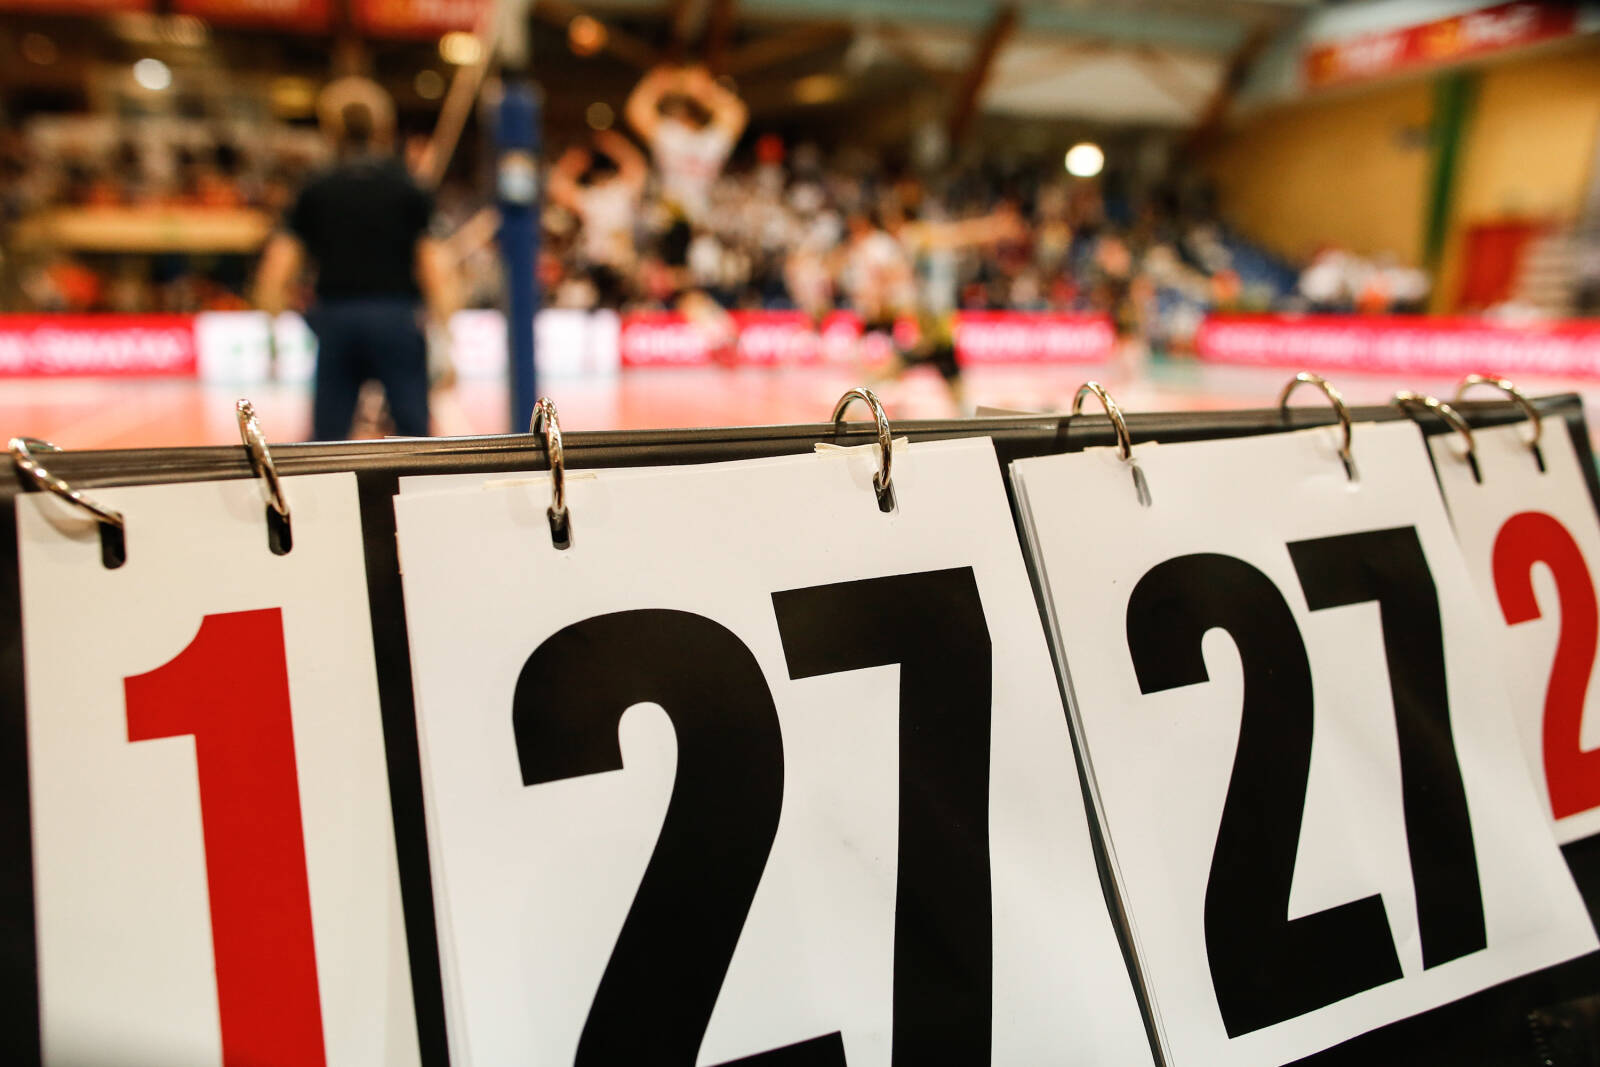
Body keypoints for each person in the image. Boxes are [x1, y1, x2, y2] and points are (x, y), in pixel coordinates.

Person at [254, 77, 457, 440]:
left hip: (337, 319)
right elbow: (435, 267)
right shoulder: (408, 187)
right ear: (384, 128)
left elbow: (277, 267)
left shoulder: (315, 188)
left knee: (328, 438)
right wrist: (445, 339)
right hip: (396, 317)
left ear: (331, 129)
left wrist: (271, 334)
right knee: (414, 432)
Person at [546, 129, 648, 309]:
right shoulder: (591, 198)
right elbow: (557, 187)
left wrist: (611, 143)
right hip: (593, 268)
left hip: (622, 269)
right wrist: (575, 159)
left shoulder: (621, 193)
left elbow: (636, 167)